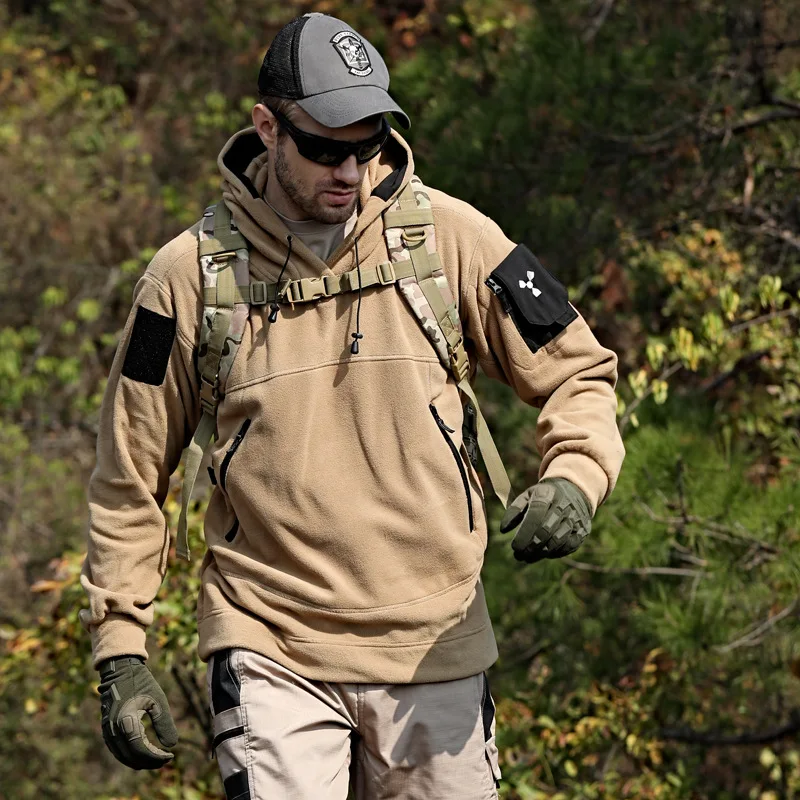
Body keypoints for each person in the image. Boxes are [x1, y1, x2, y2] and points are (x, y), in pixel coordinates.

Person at [79, 12, 626, 799]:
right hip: (272, 640)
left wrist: (575, 477)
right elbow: (128, 475)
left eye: (367, 145)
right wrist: (120, 651)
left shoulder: (452, 238)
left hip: (434, 640)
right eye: (325, 147)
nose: (350, 170)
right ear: (267, 127)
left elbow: (579, 371)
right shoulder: (185, 280)